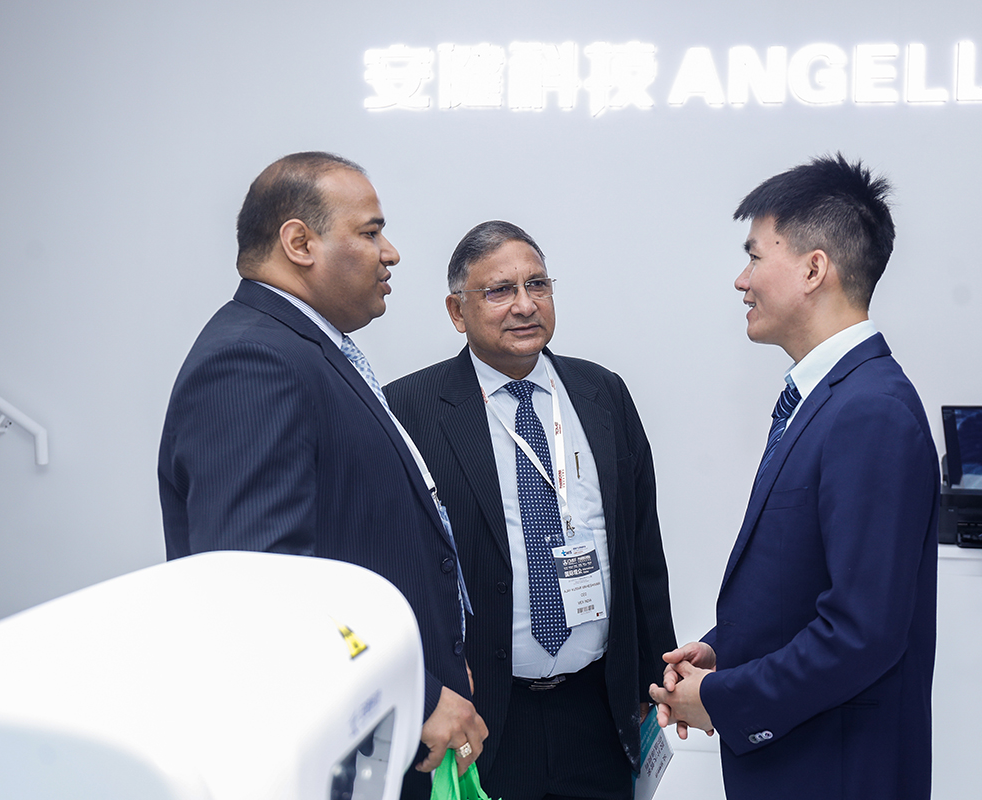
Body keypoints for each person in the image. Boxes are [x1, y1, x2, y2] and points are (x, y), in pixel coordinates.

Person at [157, 151, 487, 799]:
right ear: (299, 243)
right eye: (370, 232)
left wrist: (437, 659)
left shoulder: (303, 349)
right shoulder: (251, 361)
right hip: (343, 749)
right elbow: (259, 587)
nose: (391, 253)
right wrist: (417, 694)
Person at [650, 154, 940, 799]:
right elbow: (801, 586)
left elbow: (861, 633)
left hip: (835, 772)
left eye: (755, 256)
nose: (741, 280)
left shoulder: (870, 412)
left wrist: (723, 698)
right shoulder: (831, 398)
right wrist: (724, 652)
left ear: (814, 269)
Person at [384, 221, 676, 800]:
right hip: (481, 715)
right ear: (457, 311)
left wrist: (654, 676)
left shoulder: (602, 393)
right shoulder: (409, 410)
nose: (524, 305)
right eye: (499, 290)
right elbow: (394, 568)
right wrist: (424, 692)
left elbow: (642, 546)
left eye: (537, 284)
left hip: (596, 708)